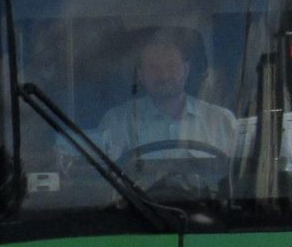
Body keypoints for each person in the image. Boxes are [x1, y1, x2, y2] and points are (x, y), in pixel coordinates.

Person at [93, 32, 238, 165]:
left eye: (172, 66)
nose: (164, 75)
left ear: (186, 69)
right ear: (141, 75)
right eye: (153, 68)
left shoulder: (221, 121)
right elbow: (103, 182)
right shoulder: (117, 123)